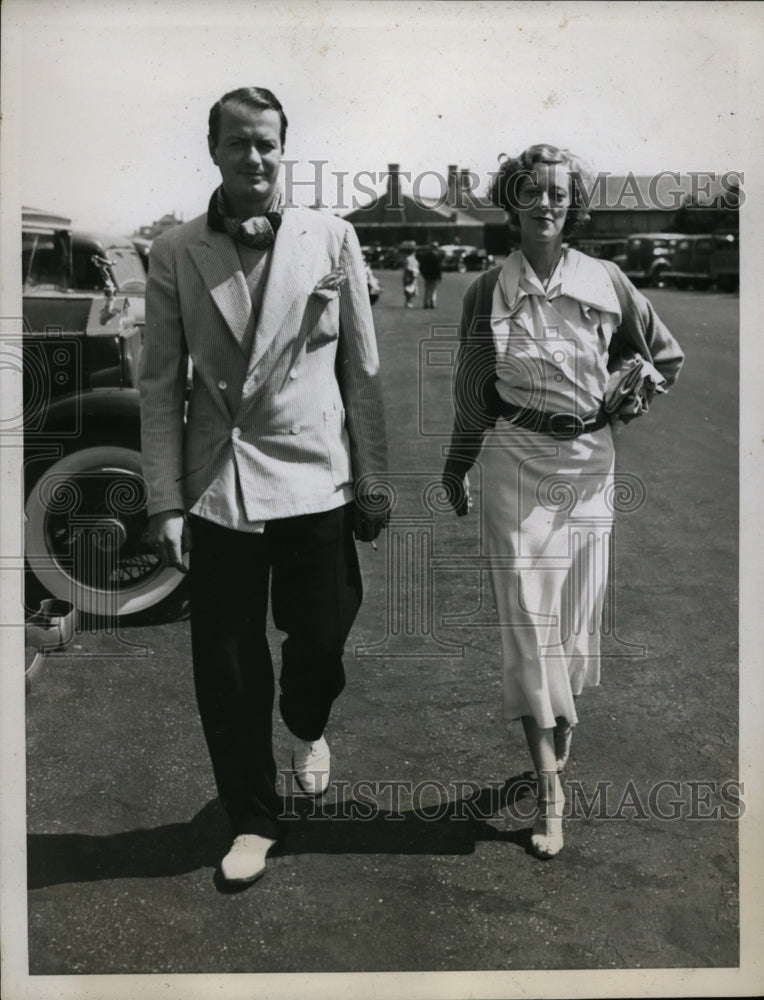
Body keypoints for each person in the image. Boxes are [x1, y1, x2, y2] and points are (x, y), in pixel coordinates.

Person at [139, 87, 388, 886]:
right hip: (220, 480)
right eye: (238, 144)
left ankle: (307, 722)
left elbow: (363, 370)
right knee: (228, 659)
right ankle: (252, 817)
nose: (253, 157)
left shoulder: (333, 236)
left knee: (321, 633)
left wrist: (372, 478)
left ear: (285, 149)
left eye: (266, 144)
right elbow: (156, 387)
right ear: (214, 151)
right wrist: (164, 500)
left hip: (316, 473)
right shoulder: (177, 250)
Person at [441, 144, 683, 859]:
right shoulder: (486, 290)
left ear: (572, 204)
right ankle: (550, 794)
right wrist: (456, 468)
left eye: (557, 193)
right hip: (515, 464)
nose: (544, 204)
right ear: (511, 202)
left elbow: (663, 356)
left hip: (588, 466)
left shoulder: (606, 280)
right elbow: (473, 394)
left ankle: (557, 732)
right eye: (530, 192)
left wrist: (634, 392)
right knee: (529, 625)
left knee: (573, 630)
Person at [419, 241, 443, 308]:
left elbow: (421, 266)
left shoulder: (425, 256)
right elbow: (438, 268)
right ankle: (432, 303)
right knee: (433, 290)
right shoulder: (436, 256)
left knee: (427, 290)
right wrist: (439, 276)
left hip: (427, 276)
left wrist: (423, 274)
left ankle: (426, 303)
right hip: (434, 276)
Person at [401, 243, 420, 308]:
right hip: (409, 275)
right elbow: (408, 268)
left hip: (413, 275)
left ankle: (409, 301)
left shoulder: (413, 258)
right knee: (408, 289)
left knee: (412, 289)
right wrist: (413, 272)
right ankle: (408, 302)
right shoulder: (408, 258)